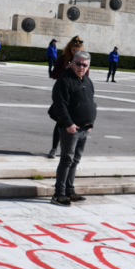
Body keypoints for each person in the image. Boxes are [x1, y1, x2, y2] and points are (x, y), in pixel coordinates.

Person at [48, 50, 96, 207]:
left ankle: (69, 190)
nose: (81, 67)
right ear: (73, 63)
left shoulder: (87, 81)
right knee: (67, 159)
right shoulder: (65, 80)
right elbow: (59, 104)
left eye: (85, 65)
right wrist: (68, 123)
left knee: (75, 160)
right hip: (71, 128)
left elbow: (91, 102)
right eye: (78, 64)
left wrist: (90, 123)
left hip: (84, 128)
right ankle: (59, 194)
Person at [48, 37, 85, 158]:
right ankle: (54, 148)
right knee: (61, 122)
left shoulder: (83, 60)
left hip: (76, 94)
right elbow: (53, 74)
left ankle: (71, 151)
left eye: (78, 51)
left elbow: (86, 78)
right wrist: (66, 68)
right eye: (74, 50)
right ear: (70, 48)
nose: (76, 53)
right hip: (63, 93)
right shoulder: (63, 58)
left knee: (76, 123)